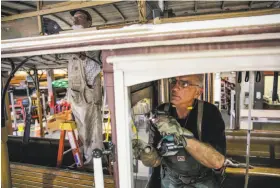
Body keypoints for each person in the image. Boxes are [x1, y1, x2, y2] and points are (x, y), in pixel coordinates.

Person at [140, 74, 226, 188]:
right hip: (170, 179)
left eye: (184, 84)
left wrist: (179, 134)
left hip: (202, 181)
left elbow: (217, 161)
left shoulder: (209, 113)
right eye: (174, 82)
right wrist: (147, 154)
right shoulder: (161, 112)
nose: (174, 88)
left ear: (198, 92)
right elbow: (156, 160)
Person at [59, 9, 103, 166]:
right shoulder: (70, 41)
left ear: (89, 23)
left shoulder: (94, 40)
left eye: (80, 18)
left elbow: (97, 64)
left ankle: (94, 163)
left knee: (93, 129)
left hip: (89, 93)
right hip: (76, 94)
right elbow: (61, 55)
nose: (75, 21)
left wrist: (85, 55)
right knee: (82, 131)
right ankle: (87, 158)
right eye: (74, 19)